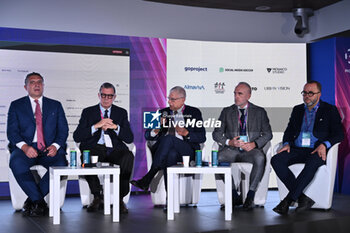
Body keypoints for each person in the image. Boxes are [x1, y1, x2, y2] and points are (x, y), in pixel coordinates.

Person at [271, 81, 344, 215]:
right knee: (276, 160)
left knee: (311, 163)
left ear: (319, 94)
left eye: (311, 93)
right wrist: (286, 143)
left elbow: (339, 134)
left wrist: (325, 144)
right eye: (304, 93)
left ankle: (287, 201)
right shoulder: (297, 109)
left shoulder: (330, 110)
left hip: (316, 150)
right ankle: (302, 198)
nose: (307, 96)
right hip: (297, 149)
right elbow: (289, 131)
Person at [7, 72, 69, 217]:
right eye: (32, 82)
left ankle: (33, 201)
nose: (36, 84)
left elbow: (63, 130)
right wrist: (25, 147)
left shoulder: (55, 105)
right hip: (26, 149)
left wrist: (56, 146)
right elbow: (12, 132)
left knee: (61, 163)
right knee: (16, 163)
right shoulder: (16, 105)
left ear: (43, 85)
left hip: (49, 149)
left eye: (39, 82)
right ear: (25, 86)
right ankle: (39, 201)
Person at [73, 82, 134, 214]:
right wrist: (96, 125)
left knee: (128, 156)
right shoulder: (88, 112)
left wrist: (116, 127)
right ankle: (97, 196)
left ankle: (119, 198)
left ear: (114, 97)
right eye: (104, 95)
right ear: (98, 95)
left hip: (114, 149)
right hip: (95, 147)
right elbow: (77, 136)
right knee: (87, 157)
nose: (106, 99)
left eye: (110, 96)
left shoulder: (121, 112)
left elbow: (129, 138)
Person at [131, 86, 206, 191]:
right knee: (170, 154)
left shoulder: (194, 112)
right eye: (169, 99)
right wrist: (156, 129)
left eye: (173, 99)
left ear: (183, 100)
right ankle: (170, 201)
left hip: (186, 151)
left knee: (169, 139)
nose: (169, 102)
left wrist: (187, 133)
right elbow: (147, 135)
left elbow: (202, 137)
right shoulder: (162, 112)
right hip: (165, 152)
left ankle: (148, 177)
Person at [212, 82, 272, 210]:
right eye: (235, 93)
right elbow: (216, 134)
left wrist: (254, 144)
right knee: (217, 159)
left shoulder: (260, 112)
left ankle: (250, 196)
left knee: (260, 158)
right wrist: (229, 142)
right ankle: (234, 195)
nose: (236, 96)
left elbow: (268, 134)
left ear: (248, 96)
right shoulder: (226, 111)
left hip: (251, 151)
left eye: (240, 94)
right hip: (232, 150)